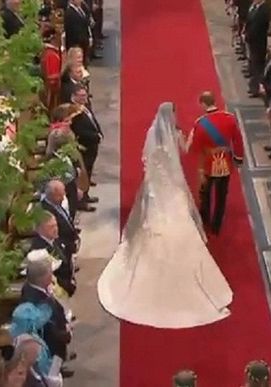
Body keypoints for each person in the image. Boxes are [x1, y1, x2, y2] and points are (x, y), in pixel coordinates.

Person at [97, 102, 233, 329]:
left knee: (157, 223)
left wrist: (152, 182)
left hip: (158, 186)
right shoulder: (173, 132)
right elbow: (186, 151)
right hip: (171, 185)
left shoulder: (152, 133)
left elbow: (146, 160)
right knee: (179, 221)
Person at [191, 92, 245, 235]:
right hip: (225, 162)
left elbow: (197, 147)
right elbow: (238, 141)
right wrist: (238, 159)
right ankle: (217, 225)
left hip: (209, 163)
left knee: (205, 194)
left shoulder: (201, 123)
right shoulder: (230, 119)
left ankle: (205, 220)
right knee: (221, 195)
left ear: (203, 103)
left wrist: (200, 168)